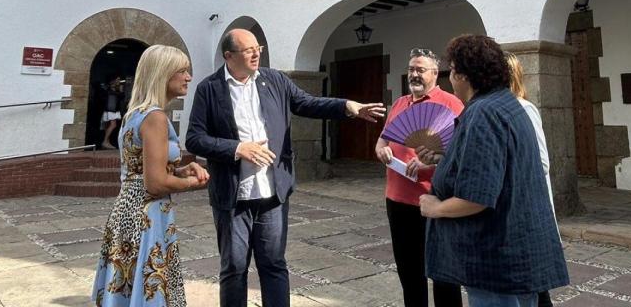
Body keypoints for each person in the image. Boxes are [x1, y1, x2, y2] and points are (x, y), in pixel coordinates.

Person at [185, 28, 386, 307]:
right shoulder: (209, 88)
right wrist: (237, 148)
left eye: (259, 48)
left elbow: (308, 103)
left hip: (272, 194)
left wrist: (347, 106)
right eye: (248, 50)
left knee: (274, 264)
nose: (256, 53)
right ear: (229, 56)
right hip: (233, 197)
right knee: (233, 268)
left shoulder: (275, 80)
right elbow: (195, 138)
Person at [420, 35, 568, 307]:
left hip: (496, 259)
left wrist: (435, 208)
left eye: (451, 71)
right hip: (514, 253)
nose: (449, 78)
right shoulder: (506, 104)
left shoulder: (483, 113)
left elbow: (477, 196)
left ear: (464, 75)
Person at [93, 45, 210, 307]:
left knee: (129, 289)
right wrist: (192, 182)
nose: (188, 77)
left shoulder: (134, 114)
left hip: (126, 210)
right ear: (162, 74)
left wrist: (179, 170)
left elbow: (140, 170)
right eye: (182, 71)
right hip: (148, 214)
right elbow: (155, 183)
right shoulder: (155, 117)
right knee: (149, 292)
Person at [375, 48, 463, 307]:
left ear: (435, 74)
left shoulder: (451, 104)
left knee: (443, 272)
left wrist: (428, 164)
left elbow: (461, 153)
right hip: (397, 199)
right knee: (408, 270)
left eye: (420, 69)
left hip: (435, 200)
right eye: (411, 69)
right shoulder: (400, 103)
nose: (414, 74)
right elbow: (383, 139)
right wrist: (381, 150)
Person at [506, 52, 555, 307]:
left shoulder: (525, 109)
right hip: (512, 213)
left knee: (532, 287)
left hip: (527, 210)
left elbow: (542, 162)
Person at [101, 75, 124, 150]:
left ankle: (107, 142)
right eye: (117, 80)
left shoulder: (113, 89)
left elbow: (121, 97)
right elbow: (119, 95)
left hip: (111, 110)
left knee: (108, 126)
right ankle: (105, 141)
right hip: (111, 110)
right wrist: (120, 91)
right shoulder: (110, 90)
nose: (119, 81)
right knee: (113, 125)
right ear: (113, 81)